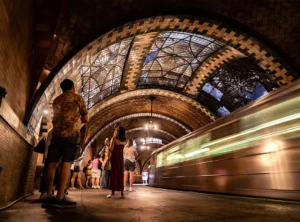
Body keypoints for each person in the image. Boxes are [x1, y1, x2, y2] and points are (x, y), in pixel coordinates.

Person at [42, 79, 88, 209]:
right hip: (71, 135)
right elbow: (85, 118)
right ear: (73, 87)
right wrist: (76, 124)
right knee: (66, 164)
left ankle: (48, 195)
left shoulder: (57, 100)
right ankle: (60, 197)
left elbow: (55, 116)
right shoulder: (78, 98)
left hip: (56, 135)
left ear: (62, 88)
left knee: (52, 164)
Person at [107, 126, 127, 199]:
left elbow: (111, 149)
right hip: (120, 158)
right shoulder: (125, 140)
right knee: (120, 174)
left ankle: (112, 193)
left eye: (116, 130)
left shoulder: (114, 139)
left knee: (114, 174)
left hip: (114, 158)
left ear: (118, 131)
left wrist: (108, 145)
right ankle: (122, 194)